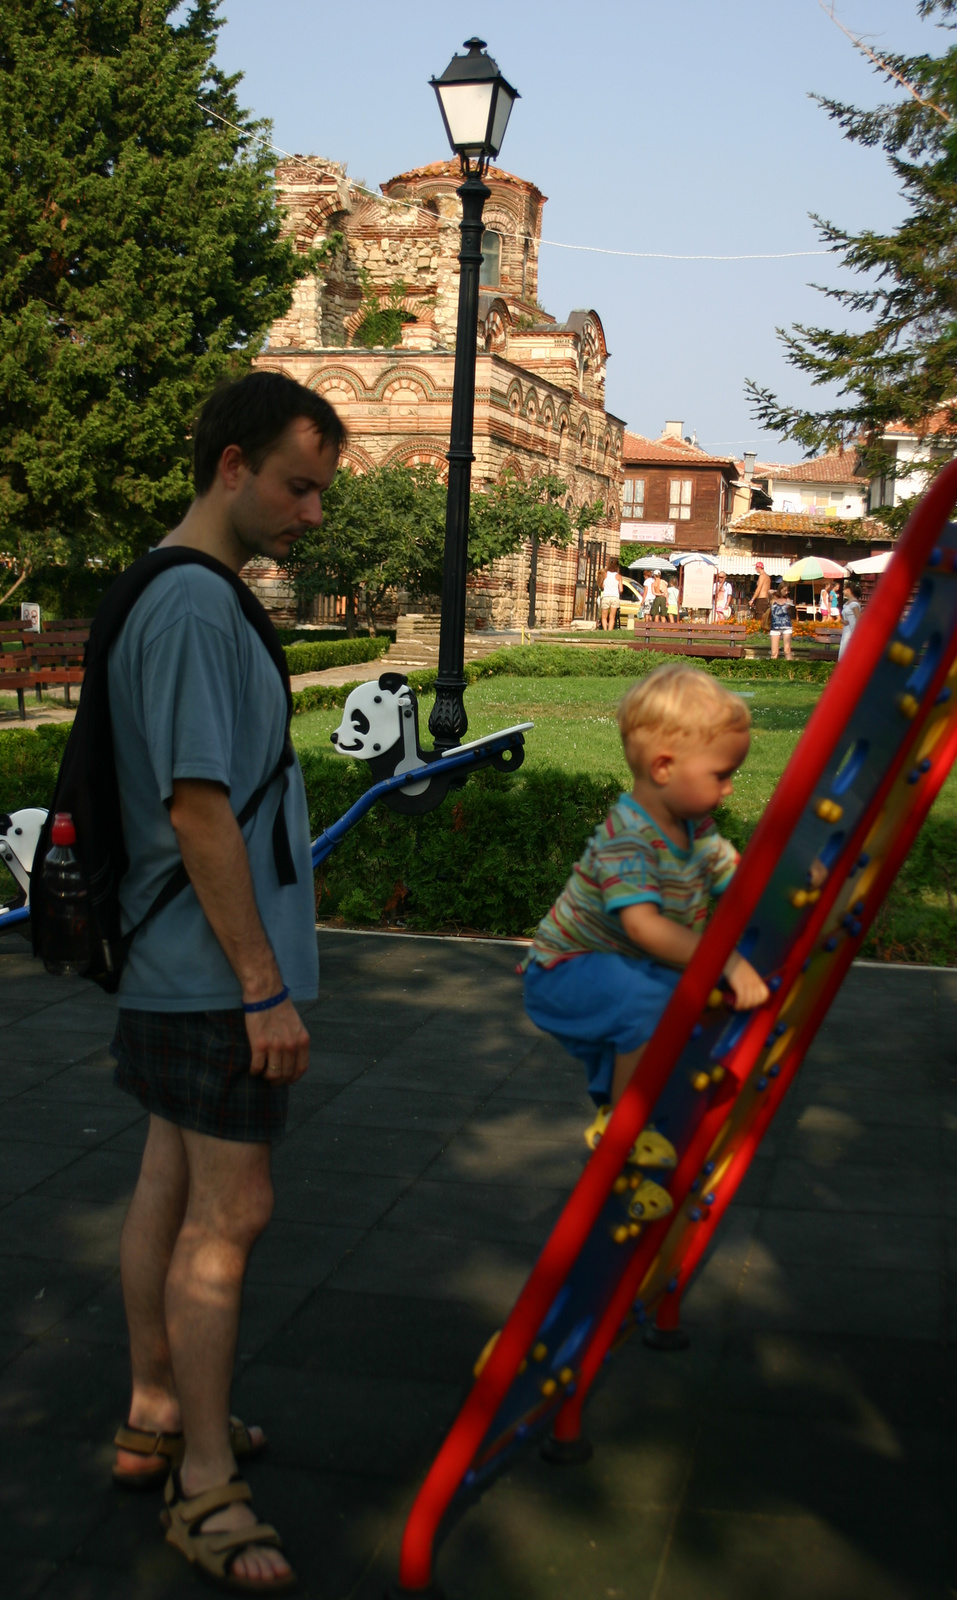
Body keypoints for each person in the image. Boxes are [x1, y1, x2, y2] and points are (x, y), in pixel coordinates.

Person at [109, 371, 344, 1591]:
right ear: (232, 466)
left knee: (169, 1174)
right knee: (229, 1215)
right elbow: (197, 806)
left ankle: (159, 1409)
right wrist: (262, 984)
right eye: (299, 485)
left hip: (171, 965)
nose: (313, 512)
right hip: (208, 976)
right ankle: (206, 1484)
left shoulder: (169, 585)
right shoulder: (198, 608)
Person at [523, 664, 770, 1209]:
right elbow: (643, 926)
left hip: (616, 968)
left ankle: (630, 1165)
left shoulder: (696, 831)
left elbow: (742, 879)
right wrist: (725, 962)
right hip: (564, 971)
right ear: (664, 767)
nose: (730, 788)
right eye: (722, 774)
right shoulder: (628, 838)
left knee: (665, 1025)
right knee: (654, 998)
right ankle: (623, 1127)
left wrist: (798, 877)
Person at [769, 582, 795, 661]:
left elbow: (792, 614)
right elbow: (768, 591)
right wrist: (776, 592)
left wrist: (790, 608)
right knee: (774, 652)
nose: (786, 592)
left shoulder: (788, 601)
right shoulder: (773, 600)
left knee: (787, 650)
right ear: (780, 589)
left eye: (788, 591)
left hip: (786, 626)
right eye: (785, 590)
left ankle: (790, 668)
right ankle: (772, 670)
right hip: (775, 626)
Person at [838, 583, 862, 658]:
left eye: (844, 590)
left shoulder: (854, 604)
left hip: (851, 632)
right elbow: (843, 618)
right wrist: (842, 621)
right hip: (846, 631)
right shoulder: (846, 604)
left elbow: (858, 619)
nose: (843, 591)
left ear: (848, 590)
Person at [599, 556, 621, 631]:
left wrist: (605, 587)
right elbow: (621, 589)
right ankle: (610, 631)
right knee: (612, 617)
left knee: (604, 616)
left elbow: (602, 585)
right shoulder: (618, 576)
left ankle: (605, 630)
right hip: (615, 596)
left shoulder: (605, 574)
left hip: (606, 596)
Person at [751, 561, 771, 627]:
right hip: (766, 599)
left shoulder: (762, 576)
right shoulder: (767, 577)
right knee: (764, 616)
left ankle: (759, 631)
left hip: (761, 598)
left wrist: (752, 599)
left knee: (759, 616)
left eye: (756, 567)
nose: (755, 569)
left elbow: (759, 588)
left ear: (759, 567)